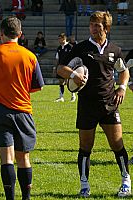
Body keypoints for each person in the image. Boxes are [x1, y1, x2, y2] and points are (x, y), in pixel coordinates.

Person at [57, 11, 131, 197]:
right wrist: (74, 75)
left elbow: (124, 71)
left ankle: (126, 181)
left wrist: (121, 88)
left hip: (109, 103)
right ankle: (84, 185)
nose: (93, 28)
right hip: (87, 105)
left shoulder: (115, 50)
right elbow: (60, 69)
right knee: (85, 147)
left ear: (106, 28)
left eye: (97, 25)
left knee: (117, 144)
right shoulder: (81, 48)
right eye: (91, 25)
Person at [0, 16, 45, 200]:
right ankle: (26, 198)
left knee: (6, 159)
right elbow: (38, 86)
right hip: (23, 112)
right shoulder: (30, 56)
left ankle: (10, 198)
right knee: (24, 158)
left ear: (1, 34)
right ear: (20, 34)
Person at [54, 32, 76, 102]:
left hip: (68, 67)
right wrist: (55, 67)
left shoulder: (70, 47)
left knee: (69, 81)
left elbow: (73, 57)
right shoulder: (59, 48)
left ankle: (73, 96)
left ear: (64, 39)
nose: (59, 40)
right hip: (60, 67)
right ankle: (61, 97)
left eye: (60, 39)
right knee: (61, 81)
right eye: (58, 39)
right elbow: (57, 58)